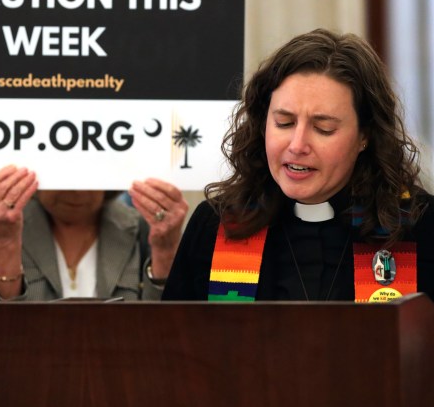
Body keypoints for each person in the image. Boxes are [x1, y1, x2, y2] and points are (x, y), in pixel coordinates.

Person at [162, 28, 434, 302]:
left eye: (323, 128)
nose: (297, 145)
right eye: (284, 123)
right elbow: (174, 342)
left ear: (365, 135)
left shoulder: (419, 226)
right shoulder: (216, 224)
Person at [0, 165, 188, 301]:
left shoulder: (143, 229)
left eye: (90, 173)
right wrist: (3, 241)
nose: (76, 191)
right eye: (62, 174)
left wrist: (166, 251)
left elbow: (171, 331)